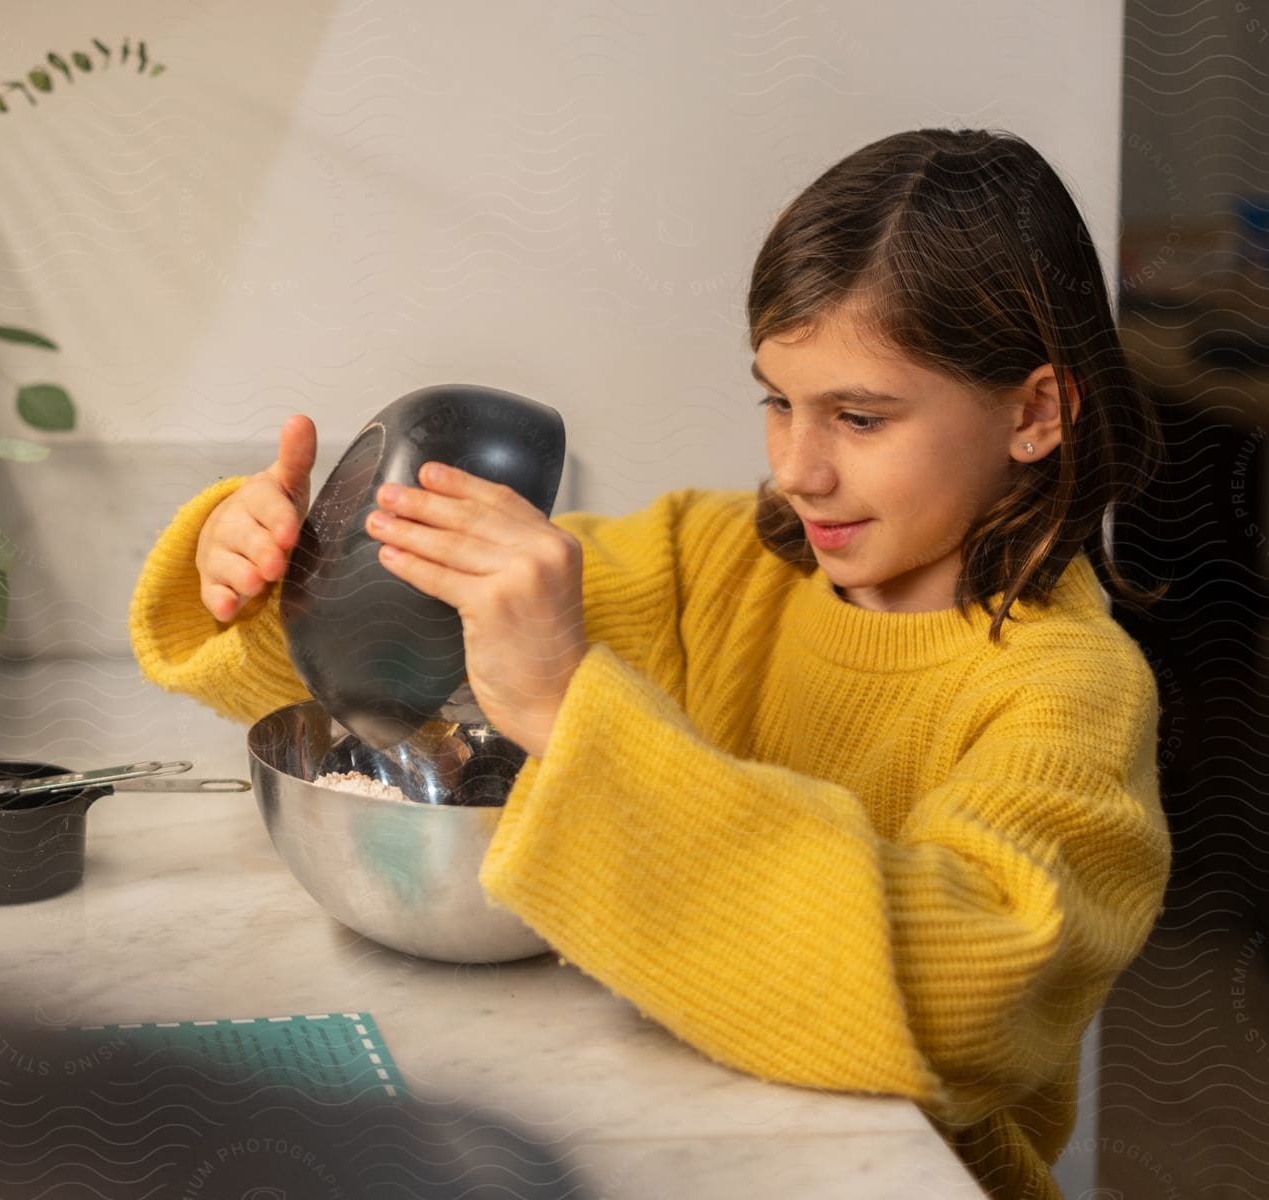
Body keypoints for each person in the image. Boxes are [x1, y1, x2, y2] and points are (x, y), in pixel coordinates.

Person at [128, 128, 1173, 1200]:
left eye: (860, 417)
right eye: (777, 400)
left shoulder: (1068, 697)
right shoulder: (711, 564)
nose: (798, 469)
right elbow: (393, 666)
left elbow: (964, 1002)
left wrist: (567, 701)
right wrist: (276, 575)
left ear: (1036, 413)